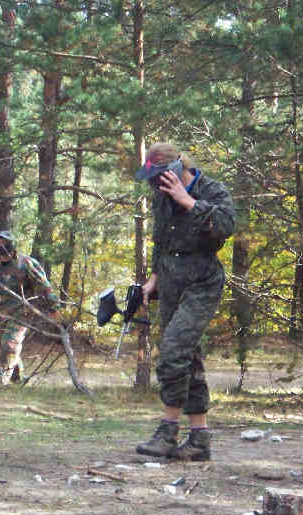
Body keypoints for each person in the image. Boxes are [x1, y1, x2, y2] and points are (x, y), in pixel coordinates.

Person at [134, 143, 235, 460]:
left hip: (202, 280)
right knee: (188, 358)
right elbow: (160, 240)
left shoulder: (211, 190)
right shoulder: (159, 197)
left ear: (177, 167)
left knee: (174, 351)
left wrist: (187, 201)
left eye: (159, 176)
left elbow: (225, 227)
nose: (155, 184)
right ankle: (199, 439)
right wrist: (154, 277)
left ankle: (168, 431)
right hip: (171, 279)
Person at [0, 231, 62, 386]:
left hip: (23, 312)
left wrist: (53, 309)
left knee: (10, 344)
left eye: (5, 242)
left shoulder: (25, 263)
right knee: (6, 346)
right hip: (1, 313)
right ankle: (18, 380)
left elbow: (45, 286)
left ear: (12, 245)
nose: (2, 245)